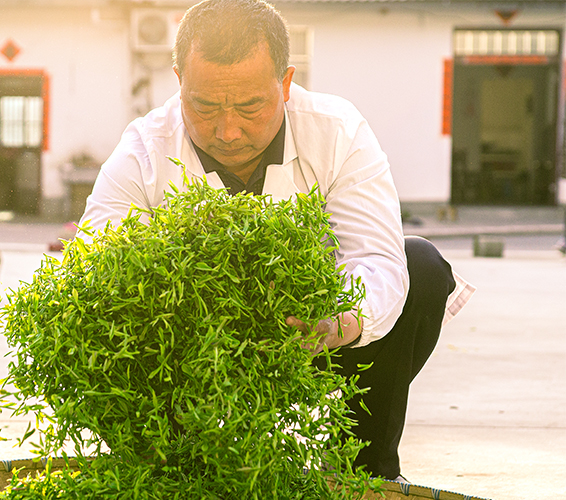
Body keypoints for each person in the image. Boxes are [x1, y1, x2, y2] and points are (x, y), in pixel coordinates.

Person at [78, 0, 474, 481]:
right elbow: (92, 269)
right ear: (180, 79)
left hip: (313, 341)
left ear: (285, 84)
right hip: (193, 358)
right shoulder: (143, 151)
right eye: (204, 106)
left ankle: (365, 468)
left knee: (421, 265)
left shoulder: (336, 132)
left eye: (249, 107)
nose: (228, 130)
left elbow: (376, 257)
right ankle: (166, 467)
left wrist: (340, 322)